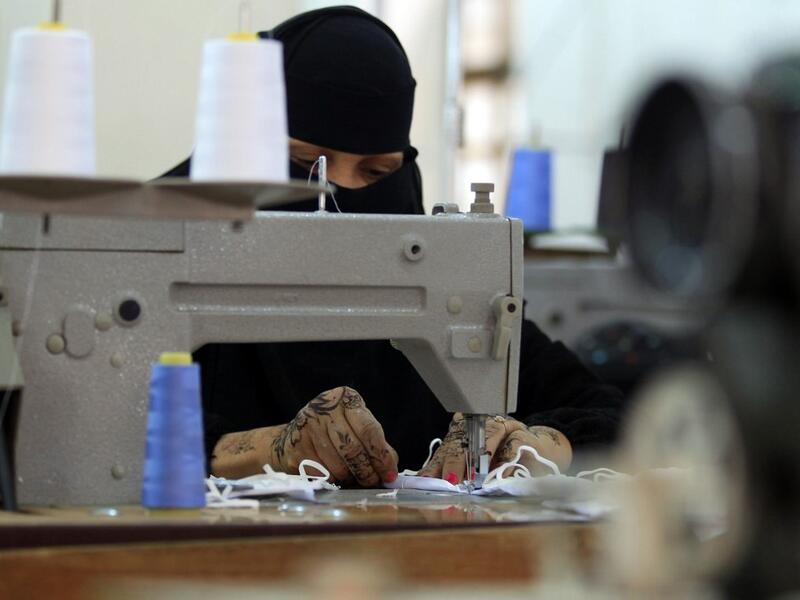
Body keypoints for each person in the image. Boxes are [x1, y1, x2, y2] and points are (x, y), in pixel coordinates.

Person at [164, 6, 622, 486]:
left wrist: (541, 442)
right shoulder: (154, 251)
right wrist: (268, 449)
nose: (338, 197)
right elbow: (97, 435)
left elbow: (615, 413)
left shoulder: (430, 268)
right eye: (303, 163)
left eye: (377, 173)